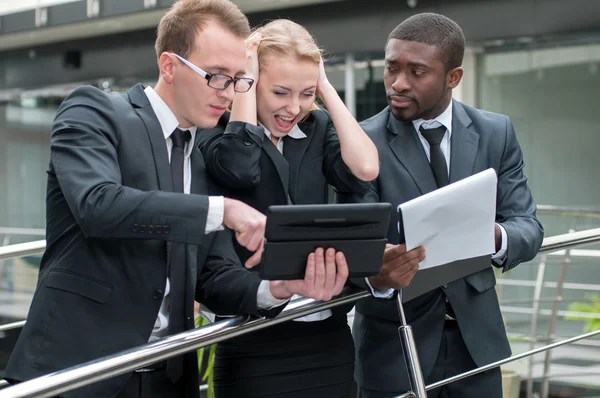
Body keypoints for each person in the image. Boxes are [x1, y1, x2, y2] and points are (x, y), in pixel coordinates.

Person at [3, 2, 349, 398]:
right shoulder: (96, 111)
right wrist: (222, 210)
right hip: (79, 374)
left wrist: (280, 288)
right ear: (169, 65)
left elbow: (214, 275)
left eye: (239, 79)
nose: (229, 93)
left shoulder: (204, 153)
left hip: (170, 376)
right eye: (217, 76)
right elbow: (98, 205)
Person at [339, 13, 544, 398]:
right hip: (393, 347)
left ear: (453, 77)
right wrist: (379, 271)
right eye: (392, 68)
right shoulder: (360, 144)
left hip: (477, 346)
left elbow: (528, 227)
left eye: (417, 72)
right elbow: (352, 247)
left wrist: (492, 236)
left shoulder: (495, 132)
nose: (398, 83)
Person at [198, 19, 381, 398]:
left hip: (325, 333)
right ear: (251, 80)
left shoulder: (316, 127)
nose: (294, 107)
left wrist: (326, 88)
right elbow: (239, 167)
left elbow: (365, 168)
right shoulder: (216, 130)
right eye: (280, 92)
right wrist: (245, 80)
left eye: (305, 93)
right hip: (253, 334)